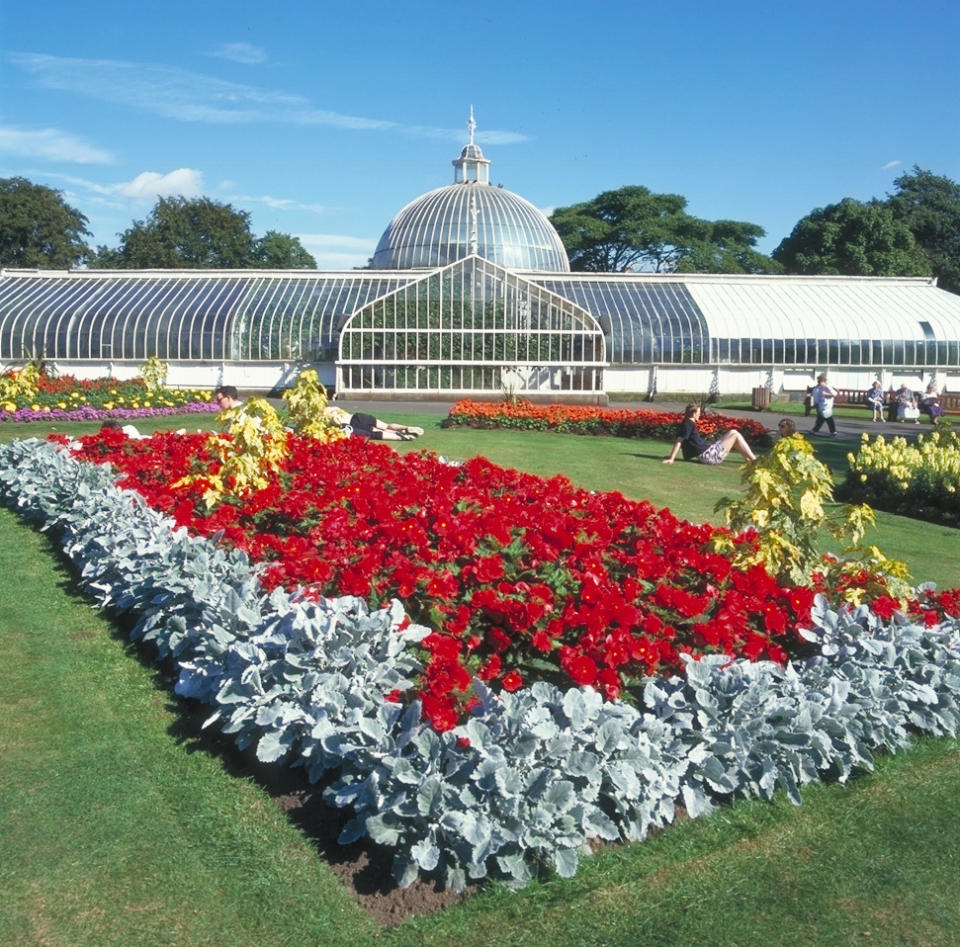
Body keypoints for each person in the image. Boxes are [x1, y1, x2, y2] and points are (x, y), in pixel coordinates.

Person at [662, 403, 757, 465]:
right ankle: (754, 460)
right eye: (698, 412)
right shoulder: (688, 424)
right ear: (693, 413)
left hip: (709, 452)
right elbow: (679, 440)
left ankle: (749, 460)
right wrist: (672, 458)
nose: (700, 414)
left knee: (733, 432)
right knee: (735, 435)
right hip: (708, 456)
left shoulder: (688, 423)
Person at [323, 405, 424, 441]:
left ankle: (401, 437)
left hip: (352, 424)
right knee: (386, 426)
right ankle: (405, 428)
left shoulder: (324, 414)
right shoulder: (333, 407)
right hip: (358, 416)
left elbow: (337, 421)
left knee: (374, 434)